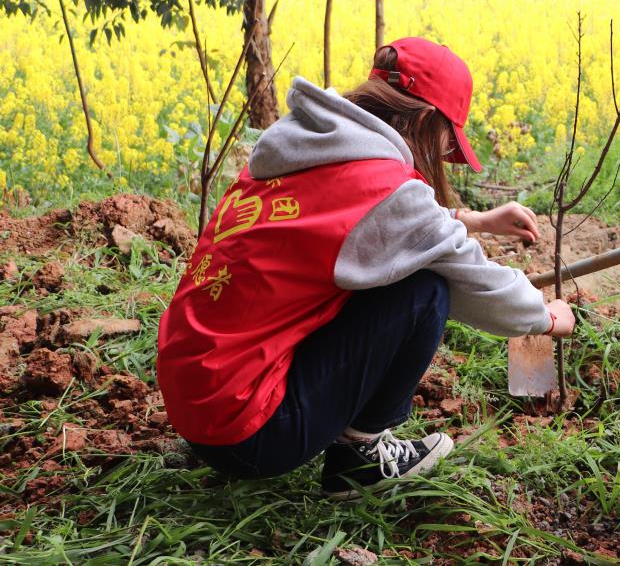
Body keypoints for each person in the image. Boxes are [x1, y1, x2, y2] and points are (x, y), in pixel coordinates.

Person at [157, 36, 575, 500]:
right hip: (253, 435)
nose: (442, 156)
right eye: (445, 141)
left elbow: (355, 224)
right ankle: (359, 459)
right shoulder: (383, 187)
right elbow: (481, 289)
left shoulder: (306, 146)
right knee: (426, 289)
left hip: (196, 402)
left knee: (382, 276)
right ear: (422, 120)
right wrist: (548, 317)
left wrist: (472, 220)